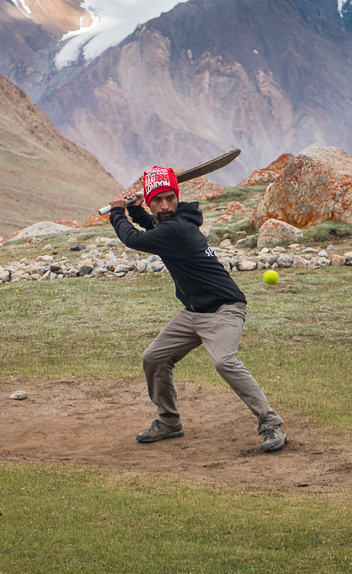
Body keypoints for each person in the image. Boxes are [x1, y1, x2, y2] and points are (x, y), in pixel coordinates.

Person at [107, 166, 287, 452]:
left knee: (224, 362)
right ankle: (169, 422)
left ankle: (271, 422)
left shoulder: (178, 228)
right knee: (154, 358)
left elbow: (136, 239)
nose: (165, 206)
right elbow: (154, 227)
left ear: (177, 199)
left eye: (169, 199)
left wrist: (117, 213)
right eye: (157, 201)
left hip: (224, 308)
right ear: (151, 202)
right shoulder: (172, 224)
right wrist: (137, 212)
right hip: (194, 311)